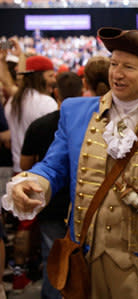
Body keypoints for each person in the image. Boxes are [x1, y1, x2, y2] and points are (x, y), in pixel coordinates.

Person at [1, 27, 138, 298]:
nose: (117, 73)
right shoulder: (75, 112)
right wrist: (30, 181)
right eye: (113, 64)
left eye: (128, 67)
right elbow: (52, 166)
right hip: (85, 261)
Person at [20, 71, 83, 299]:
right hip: (71, 204)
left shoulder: (40, 125)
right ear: (82, 92)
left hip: (55, 206)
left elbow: (25, 163)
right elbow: (49, 166)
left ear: (55, 92)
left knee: (53, 259)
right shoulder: (83, 126)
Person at [4, 54, 58, 293]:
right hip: (38, 175)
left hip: (17, 170)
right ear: (39, 76)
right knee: (29, 227)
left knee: (24, 227)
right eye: (49, 74)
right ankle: (20, 276)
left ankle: (21, 272)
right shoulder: (45, 103)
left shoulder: (13, 101)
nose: (53, 78)